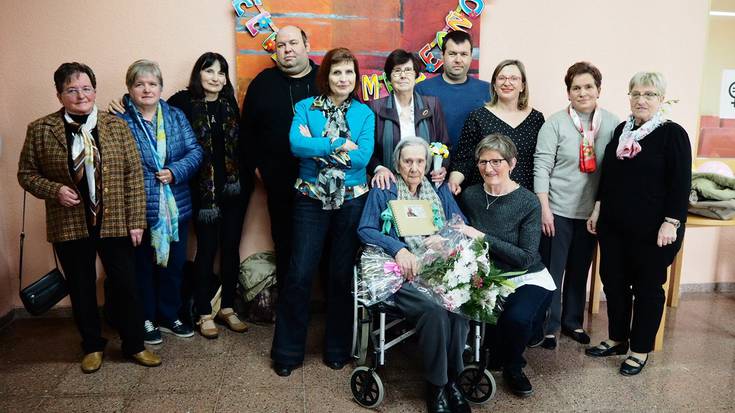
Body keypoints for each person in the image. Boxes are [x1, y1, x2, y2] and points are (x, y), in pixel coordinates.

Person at [17, 62, 161, 373]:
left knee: (126, 285)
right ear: (59, 95)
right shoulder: (41, 130)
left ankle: (135, 344)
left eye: (86, 88)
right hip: (69, 222)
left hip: (115, 221)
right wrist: (54, 190)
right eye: (72, 90)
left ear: (94, 91)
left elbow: (134, 175)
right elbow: (26, 174)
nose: (81, 95)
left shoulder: (116, 126)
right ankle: (93, 346)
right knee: (81, 287)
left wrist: (137, 221)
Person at [271, 47, 374, 377]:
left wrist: (315, 146)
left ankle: (337, 348)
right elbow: (295, 145)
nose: (343, 78)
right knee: (300, 272)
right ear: (326, 76)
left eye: (349, 72)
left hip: (352, 201)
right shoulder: (305, 107)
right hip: (310, 199)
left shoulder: (365, 113)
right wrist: (338, 144)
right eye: (336, 72)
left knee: (340, 275)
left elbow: (362, 158)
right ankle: (287, 352)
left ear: (355, 77)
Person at [585, 72, 691, 376]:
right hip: (615, 225)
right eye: (636, 94)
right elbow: (609, 176)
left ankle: (640, 348)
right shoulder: (623, 130)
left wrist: (671, 222)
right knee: (614, 282)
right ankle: (618, 338)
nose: (641, 100)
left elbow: (681, 183)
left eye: (649, 94)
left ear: (661, 99)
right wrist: (598, 208)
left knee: (647, 288)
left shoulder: (673, 134)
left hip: (654, 230)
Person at [358, 137, 471, 413]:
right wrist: (397, 248)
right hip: (400, 274)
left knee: (459, 306)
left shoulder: (438, 189)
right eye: (408, 161)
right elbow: (365, 229)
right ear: (397, 164)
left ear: (427, 164)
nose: (414, 167)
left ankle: (453, 381)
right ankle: (436, 386)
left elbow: (462, 225)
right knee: (435, 310)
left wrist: (445, 238)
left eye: (420, 161)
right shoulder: (385, 189)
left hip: (436, 268)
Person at [456, 134, 555, 397]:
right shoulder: (471, 195)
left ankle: (515, 367)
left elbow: (526, 257)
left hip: (526, 275)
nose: (488, 168)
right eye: (483, 162)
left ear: (511, 163)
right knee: (486, 333)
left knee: (517, 319)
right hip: (489, 275)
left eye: (496, 161)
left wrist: (482, 237)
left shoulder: (528, 202)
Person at [532, 62, 620, 349]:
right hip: (556, 210)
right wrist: (544, 208)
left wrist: (601, 208)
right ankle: (549, 326)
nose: (583, 93)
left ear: (599, 90)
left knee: (580, 269)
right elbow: (542, 166)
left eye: (588, 87)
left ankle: (572, 322)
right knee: (552, 271)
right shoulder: (555, 123)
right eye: (576, 88)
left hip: (591, 213)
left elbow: (615, 171)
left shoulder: (613, 124)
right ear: (568, 93)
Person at [117, 59, 203, 345]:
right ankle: (146, 317)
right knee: (141, 268)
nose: (146, 89)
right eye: (139, 84)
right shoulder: (120, 122)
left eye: (152, 84)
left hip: (175, 207)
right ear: (129, 89)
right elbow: (118, 166)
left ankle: (169, 315)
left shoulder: (176, 116)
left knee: (174, 265)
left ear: (161, 87)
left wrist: (174, 171)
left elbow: (195, 152)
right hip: (139, 208)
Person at [165, 52, 250, 338]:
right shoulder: (182, 102)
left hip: (233, 190)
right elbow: (151, 112)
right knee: (206, 249)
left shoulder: (229, 103)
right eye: (209, 71)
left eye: (221, 72)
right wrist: (123, 103)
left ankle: (227, 307)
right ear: (198, 74)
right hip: (203, 194)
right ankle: (203, 312)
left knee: (231, 248)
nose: (215, 77)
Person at [240, 25, 319, 293]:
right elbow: (246, 131)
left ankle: (322, 306)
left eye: (293, 43)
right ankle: (288, 303)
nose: (287, 50)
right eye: (281, 45)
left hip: (322, 183)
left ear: (307, 46)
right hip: (280, 184)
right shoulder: (263, 83)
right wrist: (256, 167)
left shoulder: (324, 79)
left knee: (323, 246)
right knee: (285, 245)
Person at [449, 60, 544, 194]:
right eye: (501, 78)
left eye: (513, 78)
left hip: (524, 196)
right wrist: (454, 181)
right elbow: (464, 160)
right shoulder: (478, 117)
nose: (507, 83)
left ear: (522, 86)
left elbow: (542, 163)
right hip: (485, 196)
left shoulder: (536, 119)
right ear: (494, 85)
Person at [368, 49, 450, 189]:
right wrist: (379, 168)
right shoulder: (376, 108)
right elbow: (368, 151)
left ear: (416, 75)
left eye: (408, 70)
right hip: (389, 184)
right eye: (397, 71)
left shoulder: (432, 105)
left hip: (426, 183)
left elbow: (444, 144)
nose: (403, 75)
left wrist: (442, 167)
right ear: (389, 77)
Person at [415, 30, 490, 148]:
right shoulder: (422, 90)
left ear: (471, 57)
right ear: (442, 56)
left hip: (475, 159)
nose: (458, 60)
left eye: (464, 54)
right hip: (433, 159)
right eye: (452, 54)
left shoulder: (487, 90)